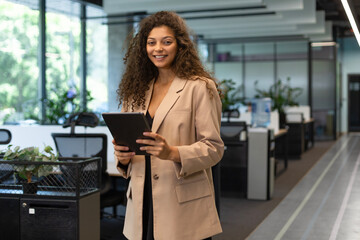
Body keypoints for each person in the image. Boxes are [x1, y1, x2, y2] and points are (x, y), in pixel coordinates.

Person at [113, 11, 224, 240]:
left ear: (180, 45)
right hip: (141, 201)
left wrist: (172, 152)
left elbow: (214, 148)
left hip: (181, 203)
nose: (158, 49)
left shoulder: (199, 87)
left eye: (166, 42)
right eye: (151, 43)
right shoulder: (134, 92)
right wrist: (122, 158)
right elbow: (129, 146)